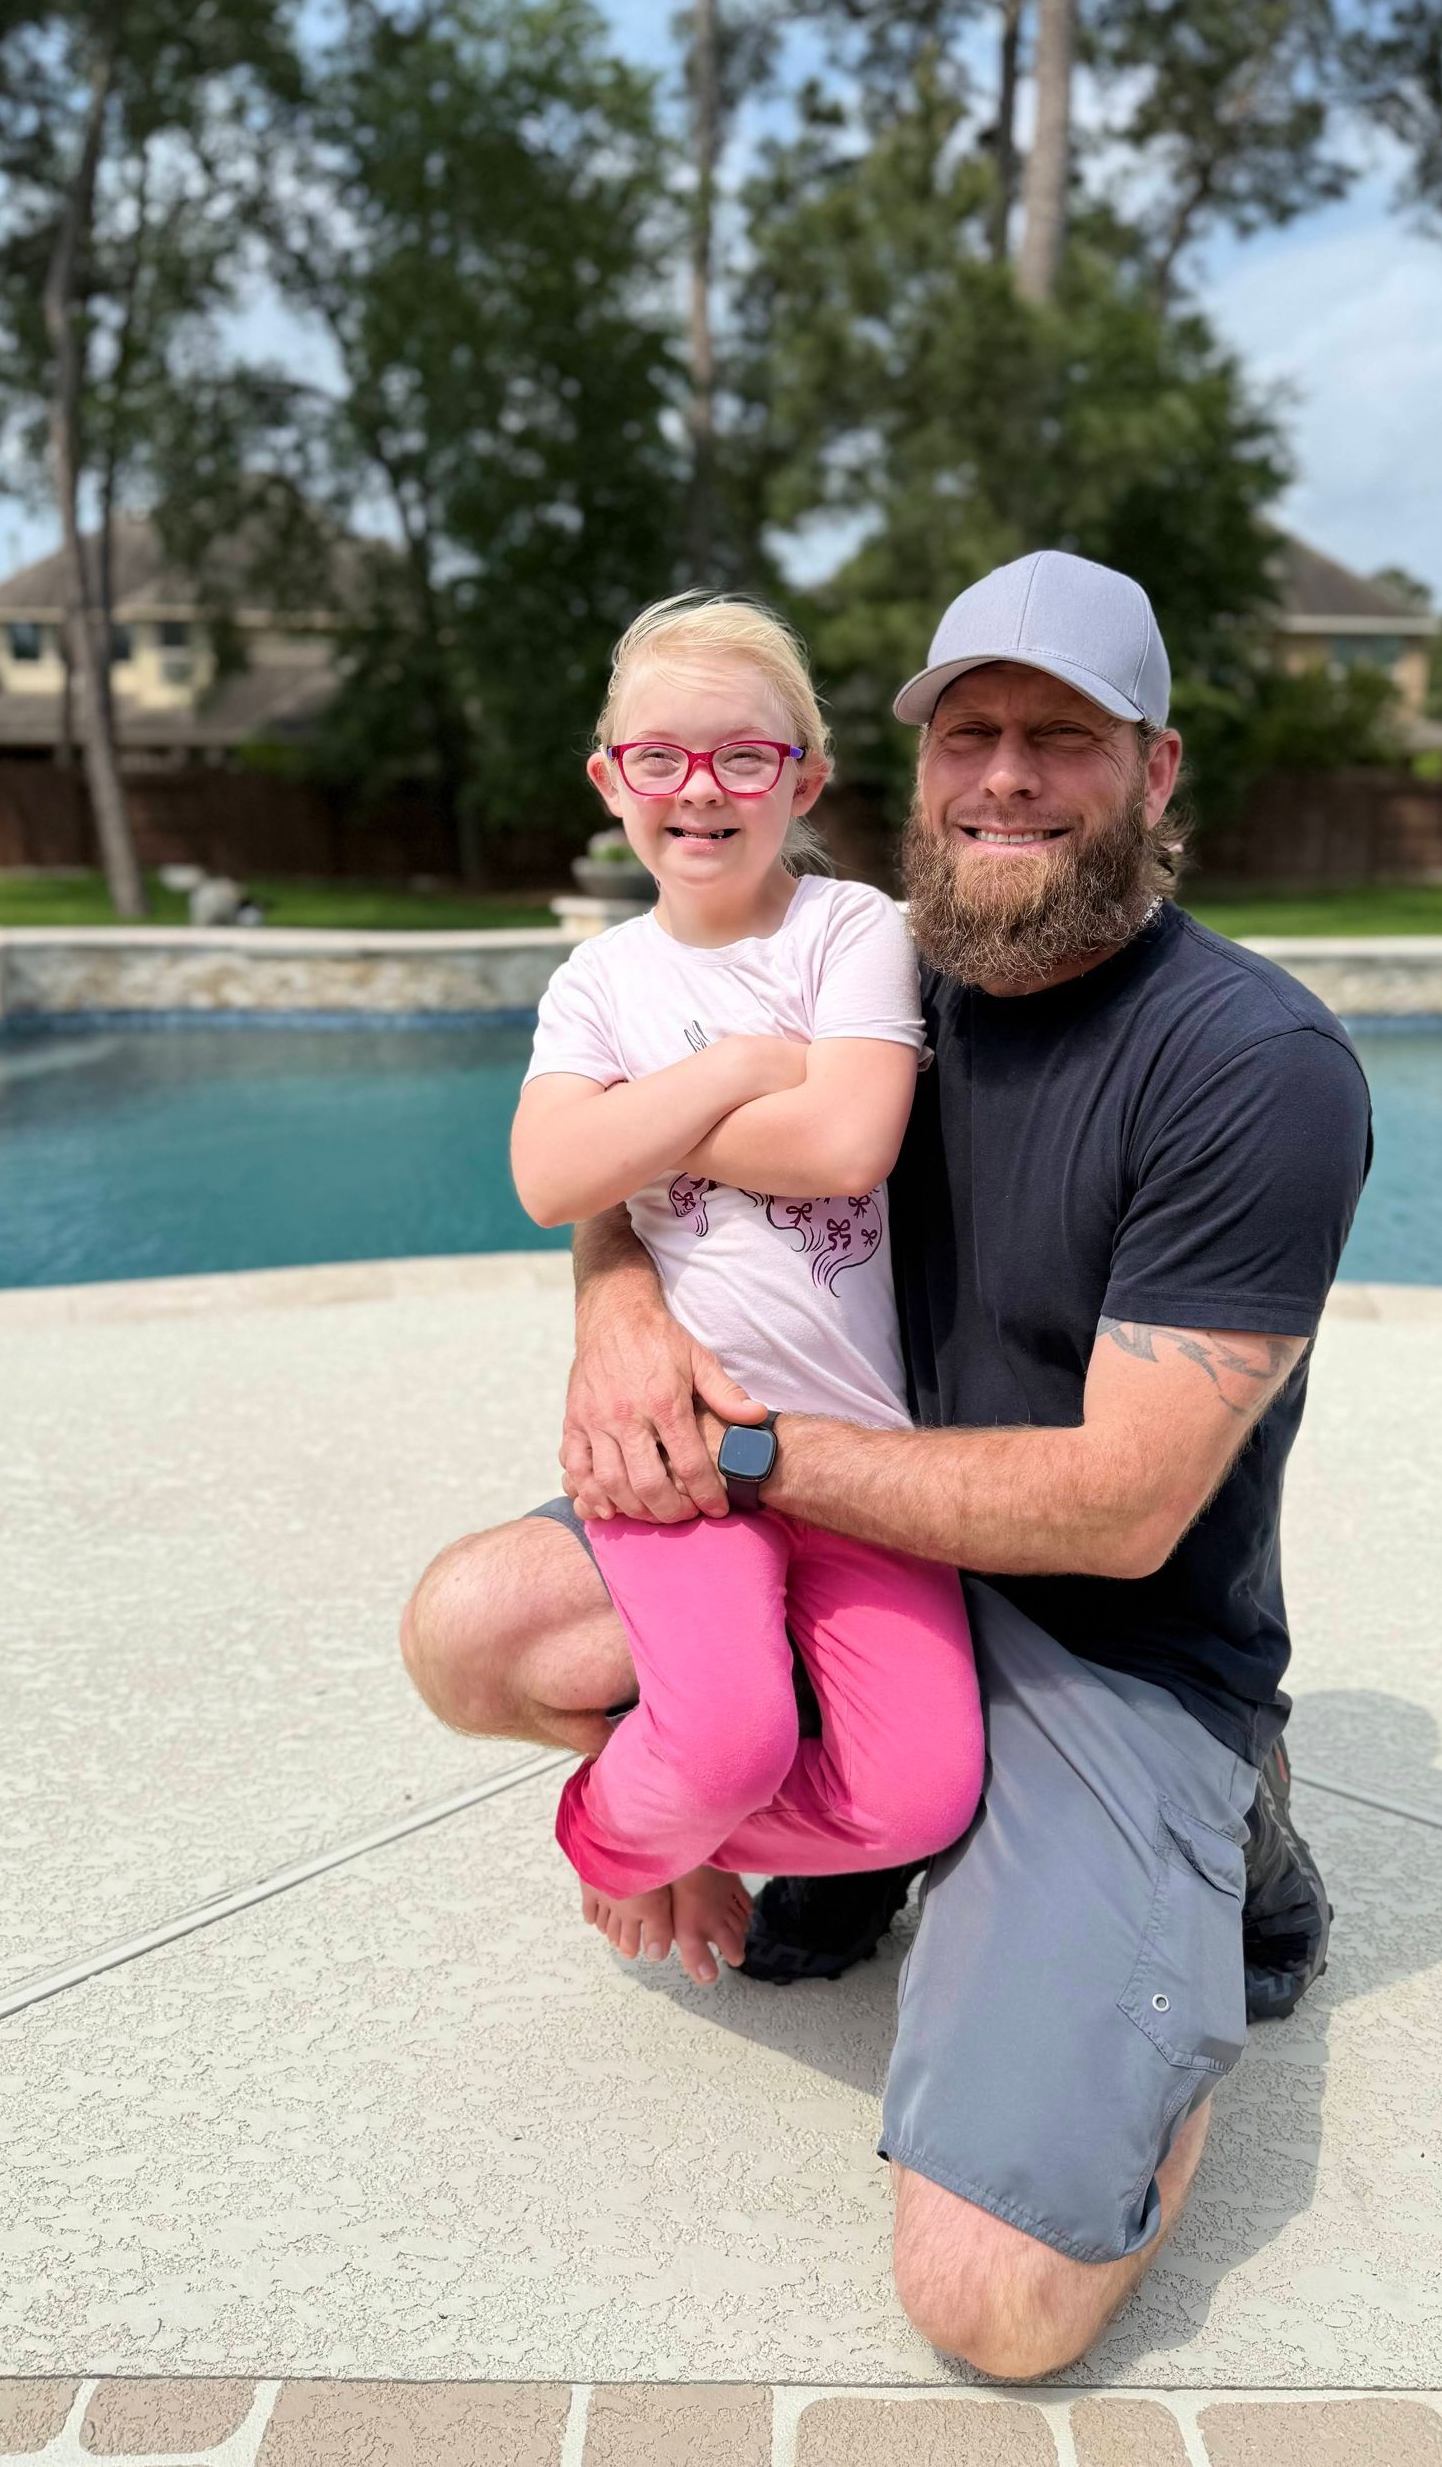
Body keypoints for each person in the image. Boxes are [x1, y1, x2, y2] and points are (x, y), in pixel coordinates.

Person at [400, 550, 1371, 2378]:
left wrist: (741, 1456)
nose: (1006, 777)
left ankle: (1213, 1869)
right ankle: (824, 1806)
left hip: (1108, 1646)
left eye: (1063, 740)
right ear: (914, 769)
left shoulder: (1251, 1067)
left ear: (1157, 773)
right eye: (972, 733)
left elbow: (1119, 1502)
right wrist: (612, 1299)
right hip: (851, 1554)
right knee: (476, 1630)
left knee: (992, 2304)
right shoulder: (871, 964)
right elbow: (631, 1156)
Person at [509, 592, 984, 1985]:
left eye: (744, 758)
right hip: (684, 1454)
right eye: (658, 757)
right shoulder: (599, 982)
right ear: (609, 780)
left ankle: (686, 1826)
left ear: (806, 777)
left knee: (923, 1793)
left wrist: (633, 1128)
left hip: (856, 1463)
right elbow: (549, 1178)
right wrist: (734, 1070)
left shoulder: (852, 931)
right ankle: (625, 1836)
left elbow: (845, 1144)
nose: (700, 791)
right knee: (725, 1740)